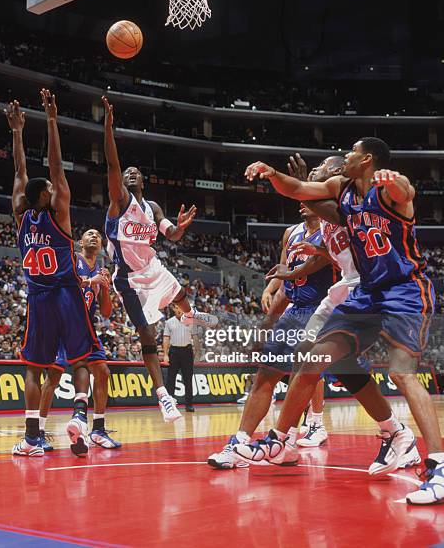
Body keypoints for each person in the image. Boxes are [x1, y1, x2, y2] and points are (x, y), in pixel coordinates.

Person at [243, 137, 441, 505]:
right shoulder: (341, 189)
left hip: (405, 289)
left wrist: (392, 179)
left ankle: (440, 465)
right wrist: (272, 174)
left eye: (351, 152)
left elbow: (406, 190)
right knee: (313, 358)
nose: (346, 156)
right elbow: (300, 188)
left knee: (402, 373)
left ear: (366, 159)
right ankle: (278, 439)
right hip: (366, 292)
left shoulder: (389, 189)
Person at [102, 95, 217, 423]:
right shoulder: (120, 201)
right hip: (129, 277)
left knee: (182, 299)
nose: (131, 173)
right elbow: (112, 165)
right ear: (122, 182)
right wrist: (109, 129)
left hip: (153, 267)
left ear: (144, 180)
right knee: (147, 335)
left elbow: (172, 235)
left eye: (136, 171)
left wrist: (180, 228)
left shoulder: (152, 208)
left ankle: (195, 319)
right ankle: (164, 397)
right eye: (127, 172)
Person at [208, 204, 337, 469]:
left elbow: (303, 270)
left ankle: (305, 431)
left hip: (323, 311)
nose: (301, 199)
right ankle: (241, 441)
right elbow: (286, 282)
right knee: (264, 377)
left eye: (308, 191)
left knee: (307, 377)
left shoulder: (331, 232)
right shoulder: (291, 234)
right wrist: (266, 324)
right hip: (295, 310)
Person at [7, 92, 100, 458]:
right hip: (67, 294)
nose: (52, 185)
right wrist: (50, 121)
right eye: (48, 186)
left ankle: (32, 437)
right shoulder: (59, 215)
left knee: (34, 369)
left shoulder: (21, 217)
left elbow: (19, 173)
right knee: (80, 360)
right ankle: (79, 413)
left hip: (38, 297)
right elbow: (57, 168)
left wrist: (17, 133)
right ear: (47, 195)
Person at [39, 229, 121, 451]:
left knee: (103, 372)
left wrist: (104, 287)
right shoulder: (72, 259)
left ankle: (98, 430)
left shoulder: (101, 271)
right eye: (89, 234)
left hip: (85, 328)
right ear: (80, 242)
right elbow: (59, 284)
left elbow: (105, 312)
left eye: (97, 235)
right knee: (53, 377)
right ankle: (38, 432)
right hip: (62, 324)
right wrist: (88, 281)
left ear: (102, 244)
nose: (94, 236)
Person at [163, 304, 199, 412]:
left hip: (187, 352)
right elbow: (166, 338)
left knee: (188, 379)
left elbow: (195, 337)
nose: (179, 310)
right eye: (177, 308)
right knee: (171, 379)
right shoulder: (169, 322)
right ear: (174, 309)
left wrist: (197, 353)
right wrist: (165, 354)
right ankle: (170, 404)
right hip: (174, 352)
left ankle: (189, 404)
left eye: (181, 308)